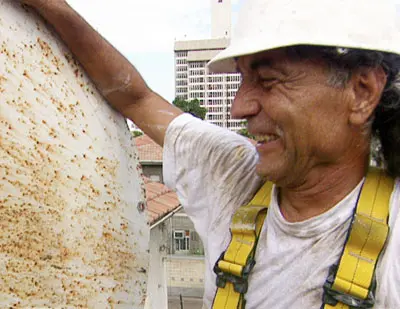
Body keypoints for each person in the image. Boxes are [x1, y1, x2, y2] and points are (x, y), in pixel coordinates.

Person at [19, 0, 400, 308]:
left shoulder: (392, 247)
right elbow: (136, 97)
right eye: (242, 79)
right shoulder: (235, 173)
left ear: (362, 92)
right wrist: (52, 7)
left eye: (268, 81)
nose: (239, 107)